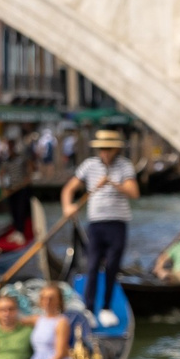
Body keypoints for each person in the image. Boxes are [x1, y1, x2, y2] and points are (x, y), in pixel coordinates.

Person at [59, 127, 137, 310]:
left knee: (112, 267)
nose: (105, 153)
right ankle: (89, 307)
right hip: (96, 224)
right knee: (92, 265)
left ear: (116, 149)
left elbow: (134, 192)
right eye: (102, 149)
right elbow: (68, 190)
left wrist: (112, 183)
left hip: (118, 224)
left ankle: (106, 307)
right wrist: (67, 207)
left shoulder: (125, 166)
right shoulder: (89, 165)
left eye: (109, 149)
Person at [23, 283, 80, 359]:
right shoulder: (37, 319)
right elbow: (15, 319)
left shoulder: (61, 322)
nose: (47, 302)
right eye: (44, 298)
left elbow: (61, 353)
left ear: (58, 301)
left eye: (51, 298)